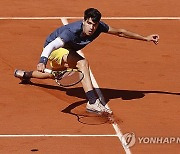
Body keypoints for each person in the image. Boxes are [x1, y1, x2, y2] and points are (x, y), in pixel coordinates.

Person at [14, 8, 159, 115]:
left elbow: (120, 32)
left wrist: (145, 38)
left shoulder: (99, 27)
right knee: (82, 63)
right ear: (84, 21)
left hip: (67, 51)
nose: (92, 27)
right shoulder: (71, 31)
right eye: (89, 23)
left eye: (95, 24)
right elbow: (52, 45)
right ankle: (92, 102)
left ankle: (25, 75)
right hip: (54, 49)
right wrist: (42, 60)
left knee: (55, 75)